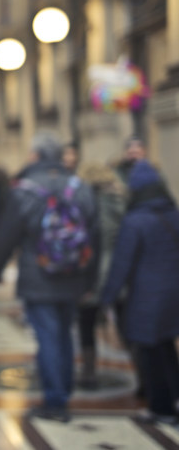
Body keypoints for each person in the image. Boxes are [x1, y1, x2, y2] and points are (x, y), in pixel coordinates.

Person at [0, 131, 97, 422]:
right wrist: (90, 279)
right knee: (65, 333)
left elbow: (6, 234)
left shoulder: (24, 189)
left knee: (47, 336)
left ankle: (55, 400)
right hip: (74, 274)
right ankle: (65, 389)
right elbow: (93, 235)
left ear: (35, 155)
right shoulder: (79, 186)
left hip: (38, 275)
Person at [100, 160, 179, 425]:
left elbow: (122, 264)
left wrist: (107, 296)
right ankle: (174, 399)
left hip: (147, 297)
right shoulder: (173, 213)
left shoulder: (135, 221)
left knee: (150, 353)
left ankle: (161, 408)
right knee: (166, 347)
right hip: (173, 294)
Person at [75, 162, 126, 389]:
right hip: (117, 271)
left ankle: (89, 371)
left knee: (86, 323)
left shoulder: (82, 205)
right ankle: (145, 375)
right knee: (125, 322)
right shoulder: (120, 202)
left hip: (90, 271)